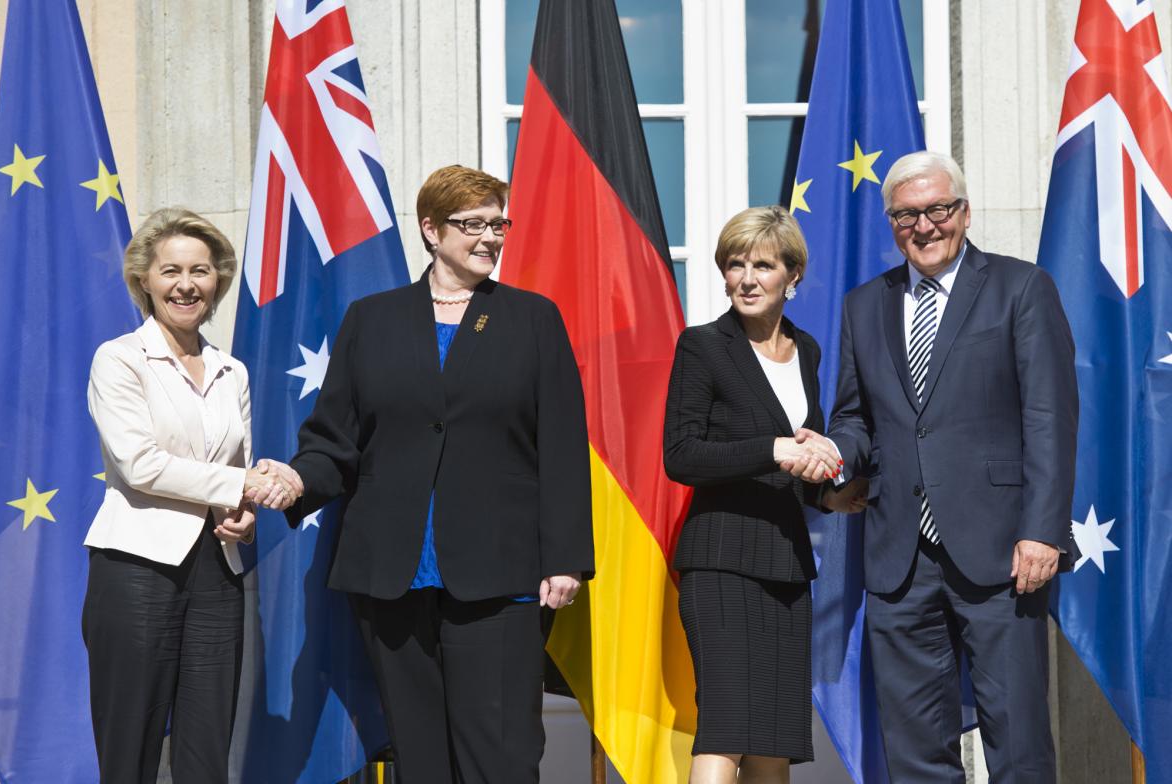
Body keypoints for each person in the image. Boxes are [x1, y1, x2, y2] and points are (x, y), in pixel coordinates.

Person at [253, 165, 594, 783]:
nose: (490, 237)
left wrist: (565, 557)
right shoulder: (372, 319)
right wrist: (298, 480)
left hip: (501, 573)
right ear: (432, 230)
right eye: (473, 224)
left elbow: (564, 446)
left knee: (504, 756)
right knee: (420, 759)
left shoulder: (532, 319)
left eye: (499, 224)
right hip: (393, 575)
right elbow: (335, 440)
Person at [798, 151, 1078, 782]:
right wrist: (834, 453)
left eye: (937, 210)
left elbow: (1050, 420)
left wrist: (1042, 531)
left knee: (1019, 739)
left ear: (964, 212)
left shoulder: (1021, 287)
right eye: (906, 216)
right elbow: (856, 419)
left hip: (1004, 551)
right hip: (900, 559)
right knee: (915, 749)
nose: (923, 227)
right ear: (891, 222)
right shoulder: (864, 305)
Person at [83, 208, 287, 783]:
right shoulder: (119, 358)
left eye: (201, 270)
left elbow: (234, 470)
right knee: (130, 745)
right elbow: (139, 464)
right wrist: (240, 485)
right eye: (171, 270)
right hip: (135, 567)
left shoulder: (233, 370)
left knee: (207, 746)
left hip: (216, 573)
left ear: (218, 280)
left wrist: (242, 516)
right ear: (144, 279)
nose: (186, 284)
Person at [662, 206, 859, 784]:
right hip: (720, 565)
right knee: (726, 730)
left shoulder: (810, 352)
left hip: (786, 568)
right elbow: (682, 456)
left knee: (775, 740)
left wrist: (828, 498)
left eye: (762, 265)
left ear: (791, 277)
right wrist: (772, 448)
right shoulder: (702, 347)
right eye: (734, 263)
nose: (746, 278)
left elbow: (797, 464)